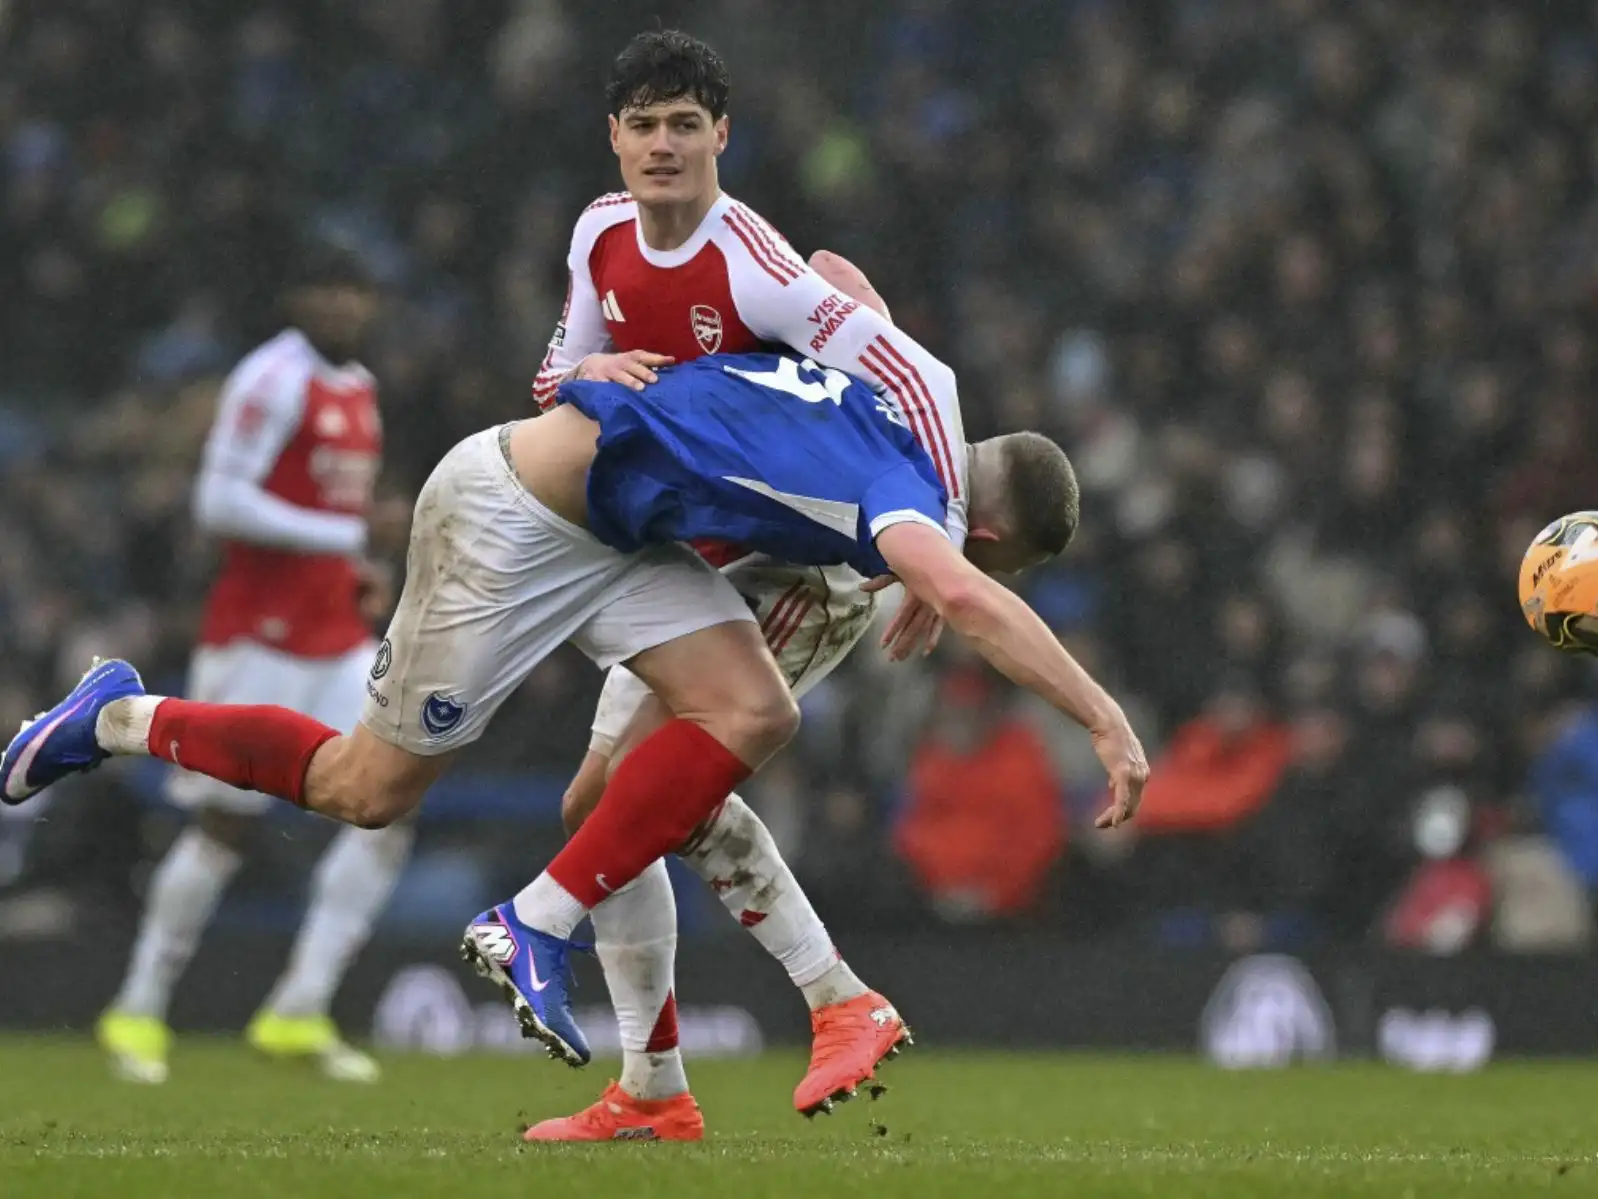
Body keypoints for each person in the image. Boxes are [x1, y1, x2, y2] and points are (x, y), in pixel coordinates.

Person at [4, 351, 1149, 1114]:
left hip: (629, 536)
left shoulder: (913, 381)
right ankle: (115, 713)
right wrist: (1105, 719)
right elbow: (967, 598)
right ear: (985, 531)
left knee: (714, 737)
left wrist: (580, 362)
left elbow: (836, 282)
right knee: (368, 785)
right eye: (985, 553)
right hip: (522, 523)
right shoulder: (909, 502)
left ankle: (679, 1053)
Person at [522, 29, 968, 1137]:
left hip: (803, 564)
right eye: (645, 125)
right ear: (614, 138)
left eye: (686, 124)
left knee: (642, 793)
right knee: (602, 806)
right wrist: (586, 369)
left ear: (722, 134)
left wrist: (940, 542)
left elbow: (921, 373)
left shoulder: (753, 264)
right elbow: (547, 378)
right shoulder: (598, 234)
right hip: (694, 560)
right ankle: (658, 1087)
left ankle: (836, 1000)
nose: (664, 145)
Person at [95, 247, 404, 1086]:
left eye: (355, 291)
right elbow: (219, 500)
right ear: (298, 297)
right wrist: (346, 537)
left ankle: (300, 1005)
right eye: (327, 290)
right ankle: (138, 1005)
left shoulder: (360, 388)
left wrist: (359, 564)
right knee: (227, 824)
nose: (343, 306)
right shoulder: (271, 378)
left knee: (388, 802)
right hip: (258, 634)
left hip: (336, 629)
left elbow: (331, 508)